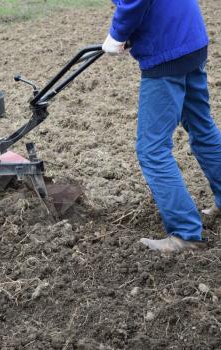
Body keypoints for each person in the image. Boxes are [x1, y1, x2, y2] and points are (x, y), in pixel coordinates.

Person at [102, 0, 221, 252]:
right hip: (189, 37)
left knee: (152, 149)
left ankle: (185, 232)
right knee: (202, 127)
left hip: (167, 49)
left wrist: (117, 34)